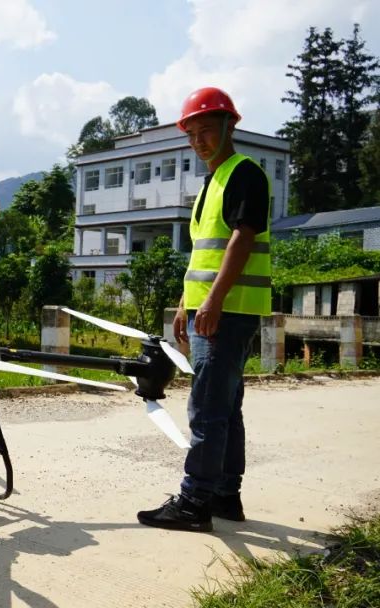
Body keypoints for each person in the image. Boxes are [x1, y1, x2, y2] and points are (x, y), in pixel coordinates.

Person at [138, 87, 272, 532]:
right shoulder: (211, 183)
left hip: (227, 310)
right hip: (210, 308)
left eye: (206, 131)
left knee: (208, 407)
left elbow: (242, 239)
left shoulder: (244, 173)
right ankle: (223, 496)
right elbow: (203, 254)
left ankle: (194, 501)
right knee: (226, 406)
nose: (198, 141)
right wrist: (186, 303)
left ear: (229, 126)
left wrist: (211, 301)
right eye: (191, 133)